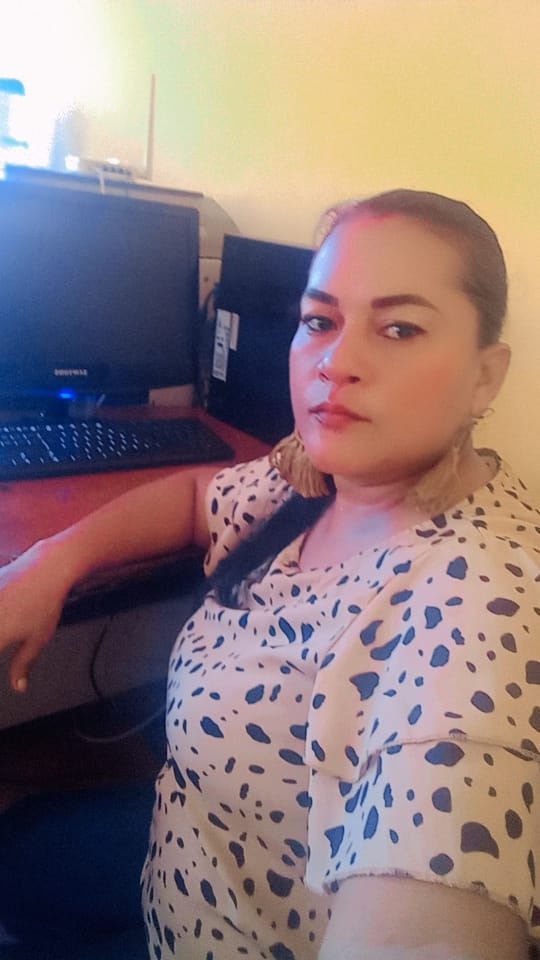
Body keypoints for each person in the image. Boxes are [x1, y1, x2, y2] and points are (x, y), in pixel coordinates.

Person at [0, 188, 538, 960]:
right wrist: (52, 560)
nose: (337, 362)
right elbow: (198, 497)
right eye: (320, 320)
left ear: (486, 377)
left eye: (399, 328)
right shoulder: (322, 477)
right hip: (186, 840)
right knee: (17, 841)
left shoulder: (481, 605)